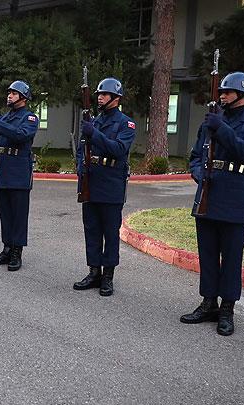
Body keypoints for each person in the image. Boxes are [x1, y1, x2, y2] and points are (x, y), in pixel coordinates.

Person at [180, 72, 244, 336]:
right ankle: (209, 303)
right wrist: (197, 173)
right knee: (207, 254)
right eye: (221, 92)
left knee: (231, 257)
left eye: (228, 92)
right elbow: (195, 156)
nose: (222, 96)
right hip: (208, 193)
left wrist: (222, 129)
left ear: (242, 95)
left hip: (234, 197)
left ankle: (227, 309)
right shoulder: (209, 121)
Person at [72, 77, 136, 297]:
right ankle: (93, 272)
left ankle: (107, 276)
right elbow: (81, 148)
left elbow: (118, 149)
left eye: (104, 94)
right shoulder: (94, 121)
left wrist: (94, 134)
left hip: (111, 184)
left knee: (109, 232)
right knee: (91, 229)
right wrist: (80, 167)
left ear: (116, 98)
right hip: (91, 181)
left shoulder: (125, 123)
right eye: (99, 93)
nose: (100, 97)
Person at [0, 80, 39, 271]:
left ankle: (17, 252)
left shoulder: (30, 118)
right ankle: (7, 248)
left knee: (18, 215)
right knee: (5, 213)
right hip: (4, 170)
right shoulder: (5, 117)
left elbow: (20, 135)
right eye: (9, 93)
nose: (9, 96)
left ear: (23, 97)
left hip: (19, 172)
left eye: (13, 93)